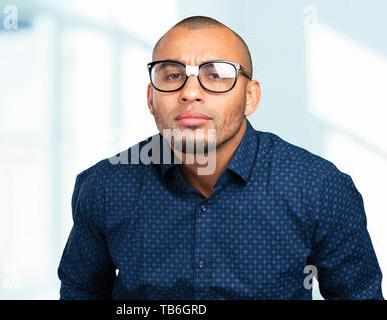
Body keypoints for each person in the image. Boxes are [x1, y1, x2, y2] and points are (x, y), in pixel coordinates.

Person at [57, 15, 383, 299]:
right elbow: (81, 293)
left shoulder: (320, 188)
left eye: (215, 74)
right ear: (150, 97)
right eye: (171, 75)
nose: (190, 91)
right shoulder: (104, 186)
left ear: (250, 96)